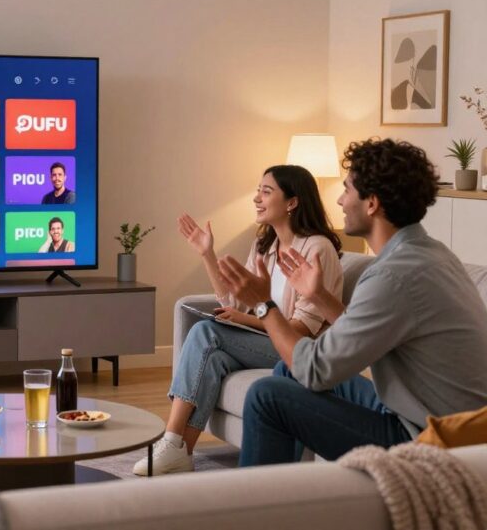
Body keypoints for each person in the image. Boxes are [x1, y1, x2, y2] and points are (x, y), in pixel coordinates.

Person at [216, 139, 487, 468]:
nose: (340, 200)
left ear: (371, 203)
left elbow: (314, 371)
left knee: (266, 396)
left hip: (430, 440)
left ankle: (259, 500)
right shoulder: (432, 254)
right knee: (286, 370)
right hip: (442, 422)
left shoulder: (392, 276)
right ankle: (288, 485)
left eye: (346, 190)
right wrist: (319, 295)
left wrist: (264, 305)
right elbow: (360, 335)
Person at [134, 165, 344, 476]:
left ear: (292, 202)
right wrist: (207, 254)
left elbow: (302, 329)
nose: (257, 198)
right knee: (214, 358)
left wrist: (246, 319)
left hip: (298, 350)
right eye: (258, 191)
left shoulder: (317, 248)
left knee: (206, 332)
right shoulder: (266, 246)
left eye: (266, 192)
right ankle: (182, 451)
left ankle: (170, 438)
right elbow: (233, 303)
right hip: (269, 341)